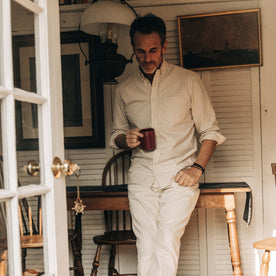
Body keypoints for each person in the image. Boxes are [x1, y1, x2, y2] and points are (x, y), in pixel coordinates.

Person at [109, 13, 226, 276]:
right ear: (133, 49)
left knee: (165, 241)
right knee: (146, 243)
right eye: (140, 51)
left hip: (179, 177)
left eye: (153, 50)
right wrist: (124, 139)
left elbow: (210, 131)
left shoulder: (189, 81)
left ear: (164, 47)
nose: (147, 58)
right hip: (142, 177)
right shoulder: (124, 89)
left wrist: (197, 168)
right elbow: (115, 133)